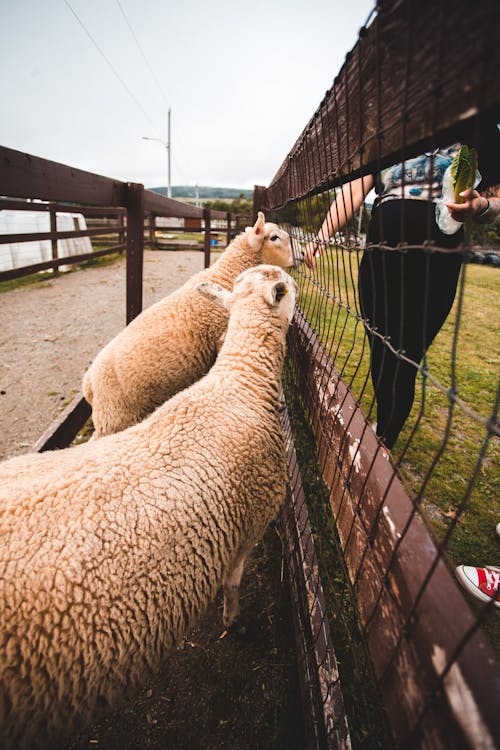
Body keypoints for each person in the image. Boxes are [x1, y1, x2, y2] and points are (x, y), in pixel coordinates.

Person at [304, 141, 500, 449]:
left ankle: (385, 438)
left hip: (437, 255)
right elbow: (355, 189)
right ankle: (386, 420)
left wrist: (481, 207)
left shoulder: (481, 123)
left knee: (406, 353)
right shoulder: (387, 130)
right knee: (380, 345)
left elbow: (495, 201)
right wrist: (321, 236)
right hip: (380, 252)